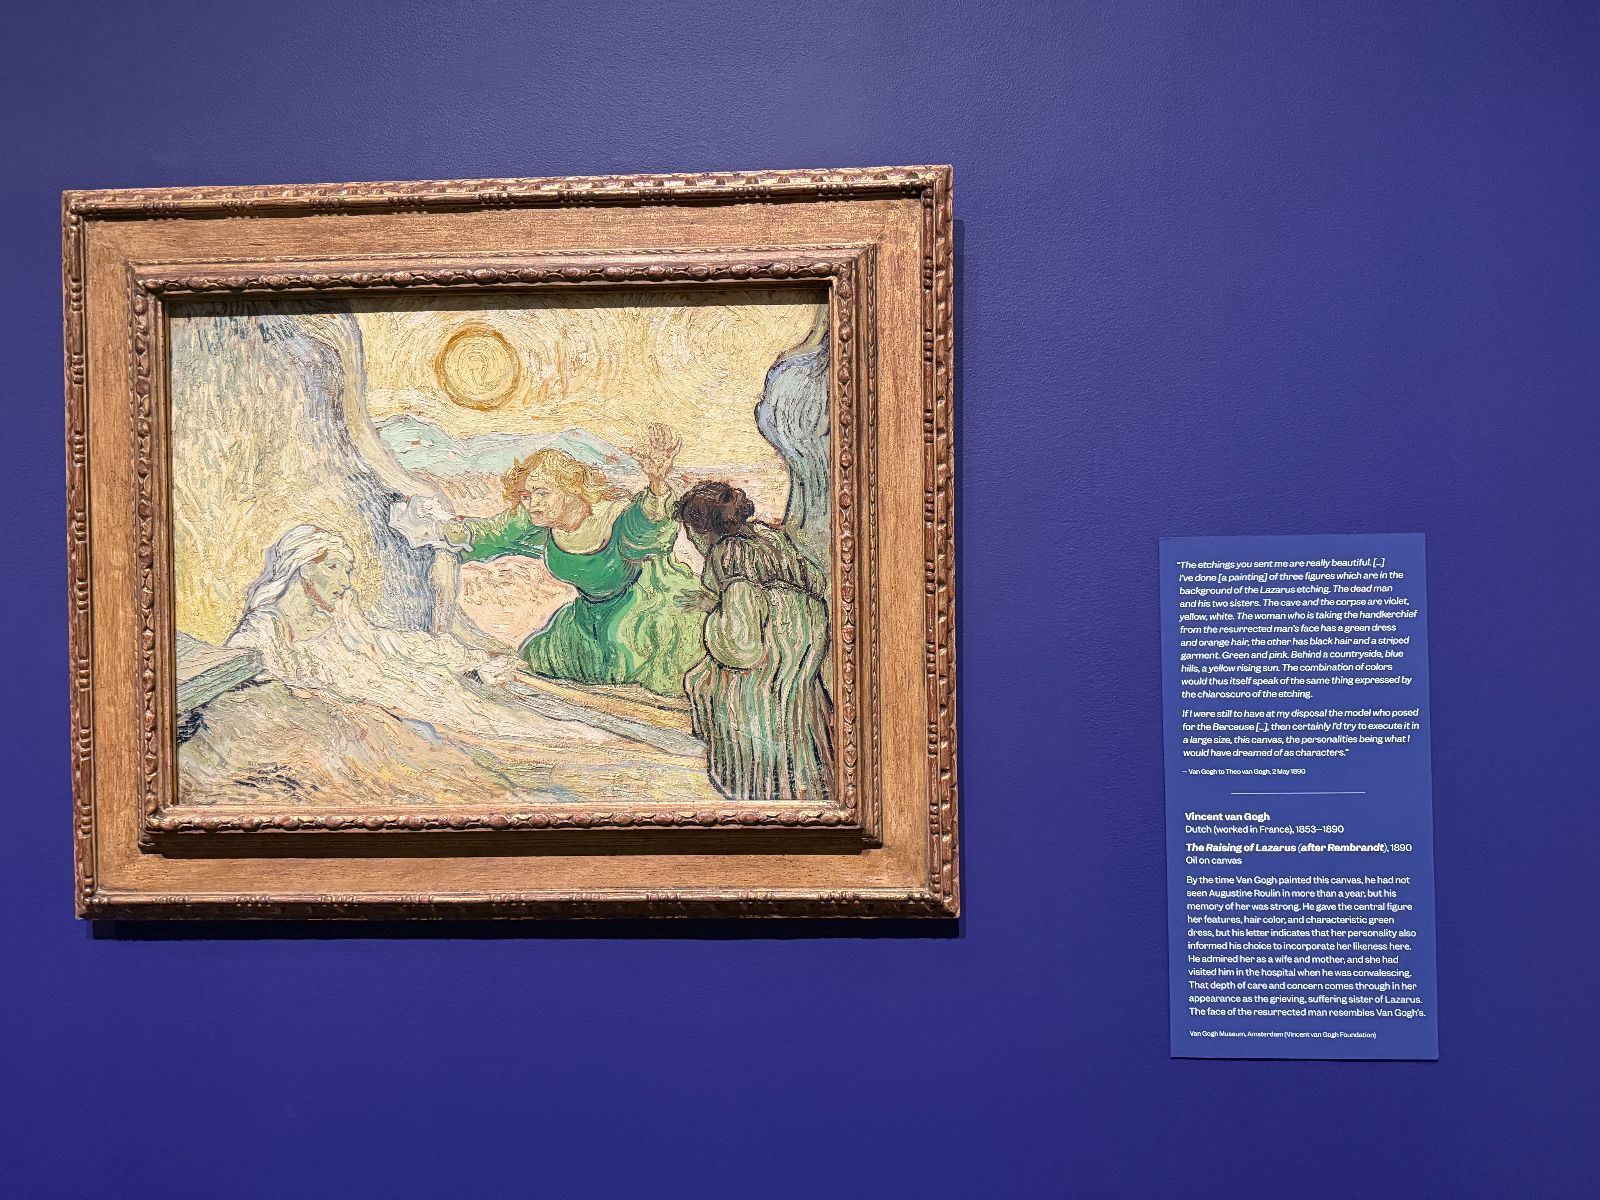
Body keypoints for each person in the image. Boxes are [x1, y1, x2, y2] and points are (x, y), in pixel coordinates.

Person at [438, 423, 705, 698]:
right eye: (527, 496)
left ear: (571, 488)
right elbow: (493, 535)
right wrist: (442, 531)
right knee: (542, 659)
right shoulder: (538, 521)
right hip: (590, 616)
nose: (533, 503)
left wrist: (657, 483)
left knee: (634, 665)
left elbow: (649, 533)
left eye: (543, 492)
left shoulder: (612, 517)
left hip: (645, 606)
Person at [674, 481, 834, 803]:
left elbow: (741, 646)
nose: (690, 540)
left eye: (691, 531)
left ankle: (761, 787)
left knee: (704, 683)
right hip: (803, 650)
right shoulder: (769, 537)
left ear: (704, 530)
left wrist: (714, 617)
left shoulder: (727, 554)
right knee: (801, 714)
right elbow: (807, 586)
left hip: (769, 662)